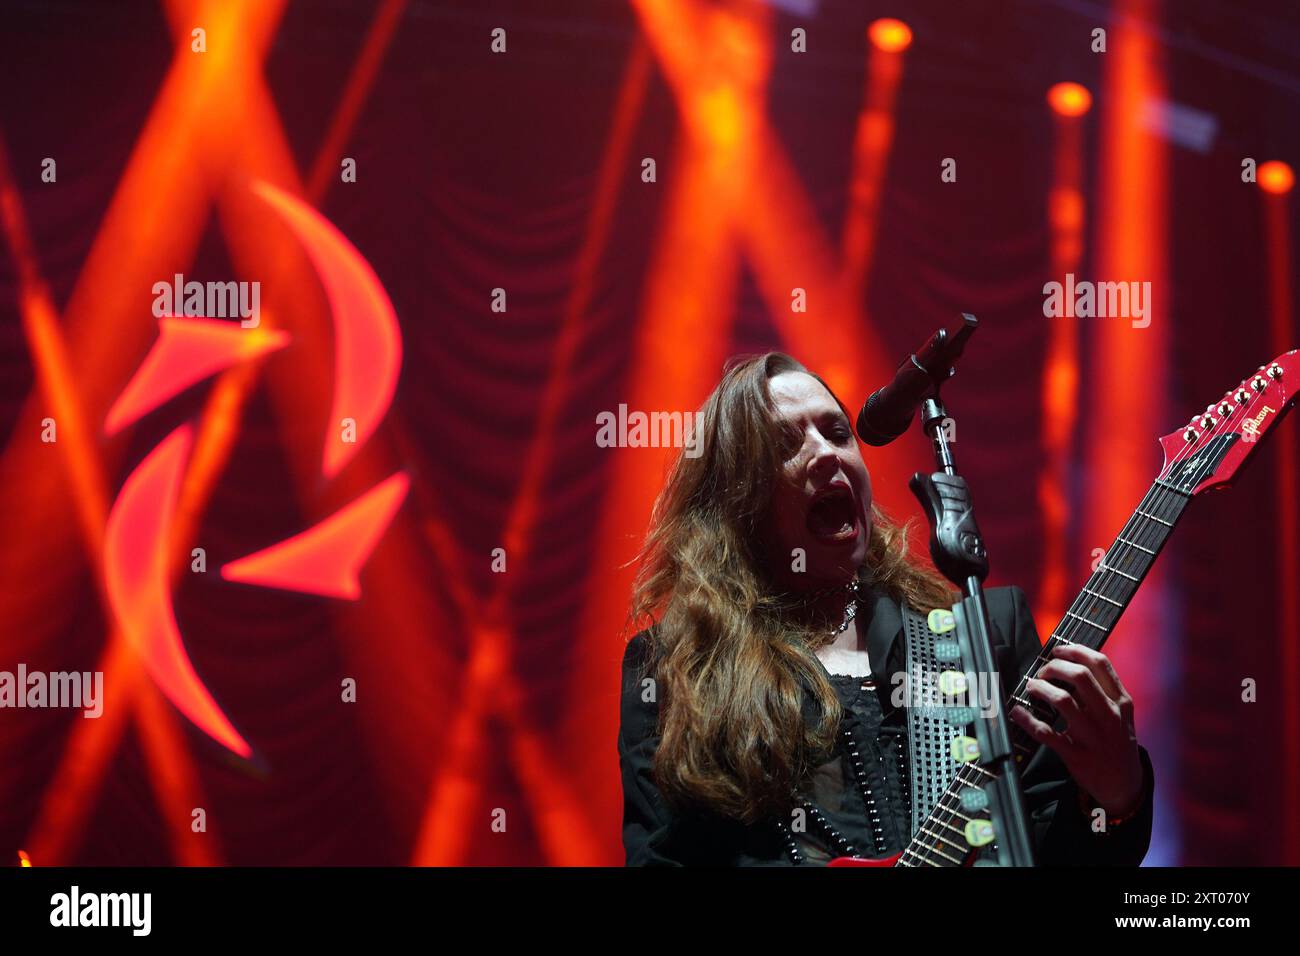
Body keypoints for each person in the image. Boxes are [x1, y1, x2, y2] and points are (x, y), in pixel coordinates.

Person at [617, 352, 1154, 866]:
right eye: (785, 443)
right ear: (737, 501)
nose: (827, 453)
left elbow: (1055, 852)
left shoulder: (980, 637)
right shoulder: (675, 666)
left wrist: (1117, 794)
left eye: (837, 432)